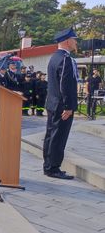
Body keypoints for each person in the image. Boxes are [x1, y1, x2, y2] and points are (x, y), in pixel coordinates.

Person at [43, 28, 79, 180]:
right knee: (58, 137)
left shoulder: (54, 57)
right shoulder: (65, 59)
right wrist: (68, 106)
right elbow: (65, 85)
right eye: (74, 39)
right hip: (61, 106)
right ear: (67, 41)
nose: (76, 42)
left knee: (51, 135)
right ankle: (53, 168)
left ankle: (48, 166)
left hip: (53, 103)